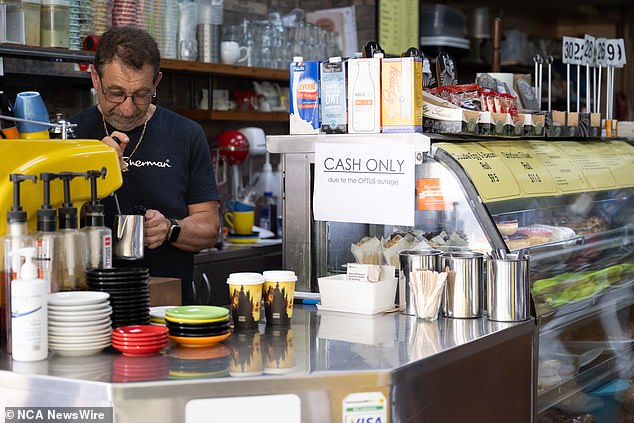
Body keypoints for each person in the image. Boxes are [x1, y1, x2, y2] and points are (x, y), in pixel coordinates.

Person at [71, 27, 220, 289]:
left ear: (156, 82)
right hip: (87, 305)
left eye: (141, 94)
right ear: (95, 78)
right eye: (115, 93)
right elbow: (43, 225)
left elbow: (209, 227)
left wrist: (170, 229)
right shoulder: (71, 137)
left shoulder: (186, 135)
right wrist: (92, 166)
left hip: (167, 308)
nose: (128, 109)